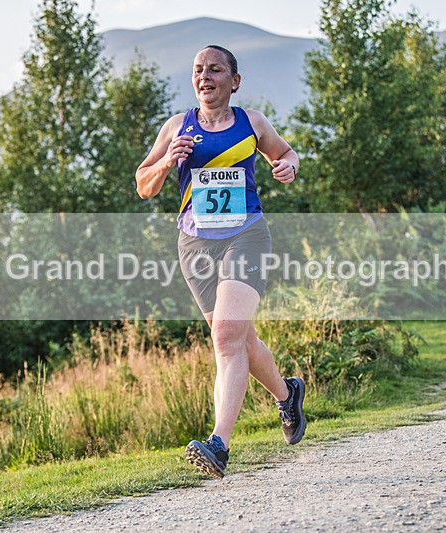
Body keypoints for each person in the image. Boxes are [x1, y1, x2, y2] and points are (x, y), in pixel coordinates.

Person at [135, 45, 306, 479]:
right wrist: (167, 161)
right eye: (198, 70)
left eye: (214, 70)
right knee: (241, 340)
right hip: (195, 245)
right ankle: (287, 395)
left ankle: (218, 444)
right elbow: (143, 185)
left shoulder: (252, 123)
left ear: (235, 80)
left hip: (246, 235)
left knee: (227, 337)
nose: (204, 77)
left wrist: (288, 167)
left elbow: (285, 153)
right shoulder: (177, 126)